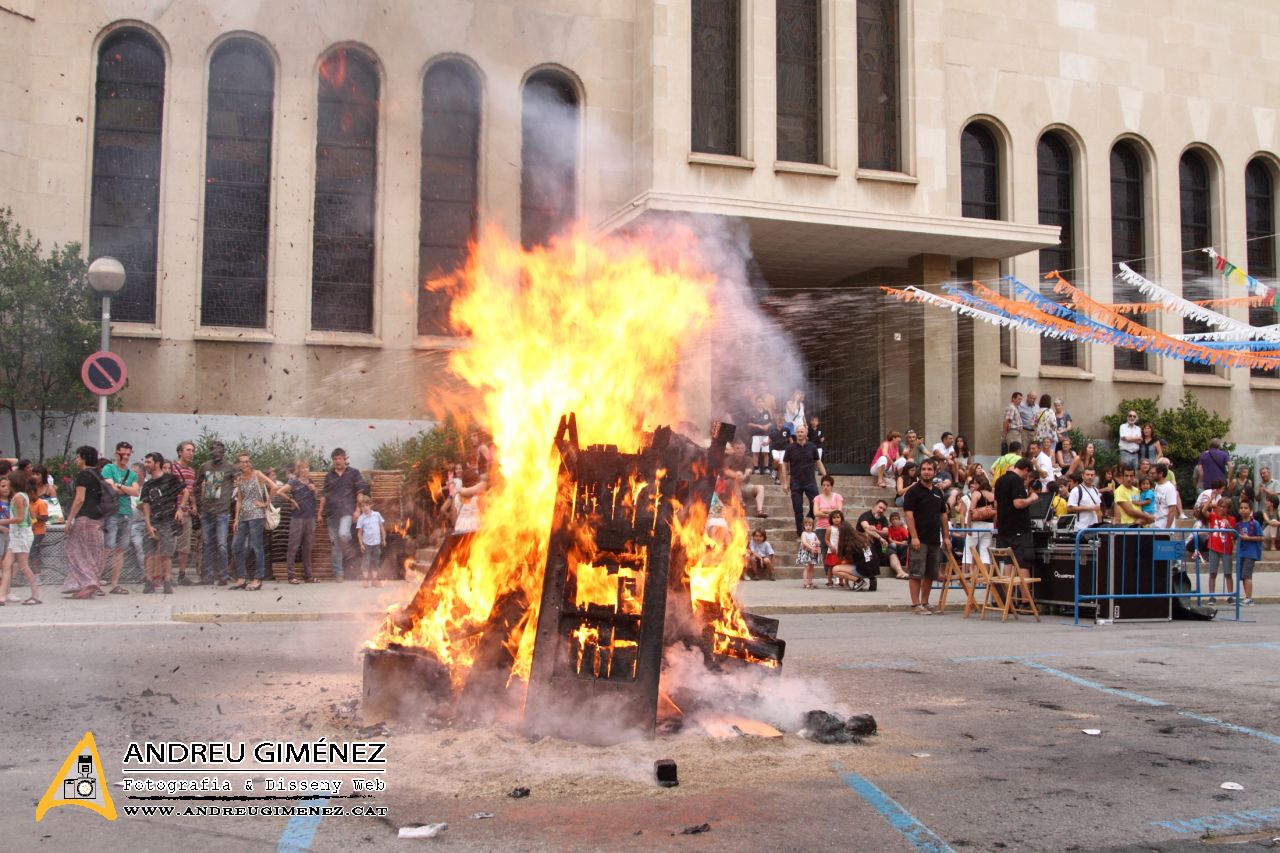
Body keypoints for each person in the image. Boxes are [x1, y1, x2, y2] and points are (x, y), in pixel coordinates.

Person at [902, 459, 948, 615]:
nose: (926, 472)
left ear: (935, 472)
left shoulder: (938, 492)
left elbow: (943, 515)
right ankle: (916, 605)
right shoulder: (913, 491)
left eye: (929, 469)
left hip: (934, 539)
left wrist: (946, 537)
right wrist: (914, 537)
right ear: (920, 471)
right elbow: (908, 515)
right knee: (916, 573)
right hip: (919, 539)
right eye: (924, 469)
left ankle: (925, 602)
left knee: (930, 573)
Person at [62, 446, 107, 599]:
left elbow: (80, 499)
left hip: (85, 519)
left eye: (77, 457)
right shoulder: (98, 475)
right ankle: (82, 583)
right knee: (93, 552)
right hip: (98, 520)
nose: (76, 460)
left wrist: (69, 519)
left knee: (73, 549)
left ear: (83, 458)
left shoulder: (83, 475)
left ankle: (88, 582)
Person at [319, 447, 369, 582]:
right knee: (335, 545)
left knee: (342, 535)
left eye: (339, 458)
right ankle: (338, 573)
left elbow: (360, 492)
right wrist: (320, 513)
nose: (337, 461)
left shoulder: (354, 473)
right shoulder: (329, 476)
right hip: (331, 513)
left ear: (345, 459)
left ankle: (347, 546)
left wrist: (358, 510)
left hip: (347, 511)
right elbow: (324, 495)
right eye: (335, 459)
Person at [230, 452, 277, 591]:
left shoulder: (257, 474)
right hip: (243, 517)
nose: (245, 464)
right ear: (238, 464)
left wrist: (266, 503)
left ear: (250, 463)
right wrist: (236, 519)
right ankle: (241, 578)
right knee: (236, 546)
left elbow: (274, 486)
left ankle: (258, 578)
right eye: (242, 462)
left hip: (256, 516)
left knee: (257, 547)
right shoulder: (240, 478)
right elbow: (239, 499)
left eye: (247, 461)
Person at [100, 441, 140, 594]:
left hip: (126, 513)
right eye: (123, 454)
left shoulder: (132, 473)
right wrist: (125, 489)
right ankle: (95, 581)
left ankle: (114, 583)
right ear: (116, 453)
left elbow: (135, 492)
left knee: (120, 549)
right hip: (112, 512)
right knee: (107, 548)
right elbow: (110, 488)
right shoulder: (108, 468)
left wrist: (120, 486)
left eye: (128, 454)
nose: (126, 457)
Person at [140, 452, 183, 595]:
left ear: (157, 463)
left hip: (167, 521)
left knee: (166, 554)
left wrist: (180, 508)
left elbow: (185, 492)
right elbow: (146, 504)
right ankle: (149, 582)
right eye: (145, 462)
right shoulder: (147, 484)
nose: (146, 465)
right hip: (153, 522)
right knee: (149, 553)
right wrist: (148, 524)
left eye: (149, 462)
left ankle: (167, 582)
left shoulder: (170, 479)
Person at [197, 440, 237, 585]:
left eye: (219, 449)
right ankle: (207, 577)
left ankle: (223, 576)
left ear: (223, 452)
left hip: (222, 512)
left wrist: (231, 500)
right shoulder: (205, 466)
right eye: (213, 449)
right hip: (207, 511)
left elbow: (239, 484)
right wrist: (199, 504)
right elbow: (196, 485)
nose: (216, 452)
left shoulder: (230, 467)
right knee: (207, 544)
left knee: (221, 545)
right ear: (210, 451)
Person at [0, 470, 40, 605]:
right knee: (6, 564)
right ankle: (2, 596)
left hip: (21, 535)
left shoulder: (18, 497)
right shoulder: (21, 495)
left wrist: (2, 521)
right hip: (16, 535)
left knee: (23, 565)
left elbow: (20, 518)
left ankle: (35, 595)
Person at [994, 458, 1040, 571]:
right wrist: (1032, 498)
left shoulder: (999, 480)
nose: (1027, 478)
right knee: (1023, 564)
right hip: (1018, 529)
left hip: (1003, 528)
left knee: (1008, 563)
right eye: (1028, 474)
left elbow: (996, 504)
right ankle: (1024, 584)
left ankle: (1007, 584)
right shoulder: (1017, 480)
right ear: (1025, 469)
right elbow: (1018, 503)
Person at [277, 459, 318, 583]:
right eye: (302, 468)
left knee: (308, 547)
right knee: (293, 546)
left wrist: (314, 490)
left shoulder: (311, 482)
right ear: (298, 470)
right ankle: (291, 576)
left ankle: (308, 576)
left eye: (307, 467)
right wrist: (291, 500)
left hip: (310, 517)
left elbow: (315, 497)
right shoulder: (294, 482)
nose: (305, 470)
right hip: (298, 518)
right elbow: (279, 491)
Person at [782, 425, 826, 536]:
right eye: (798, 432)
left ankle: (807, 519)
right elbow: (784, 465)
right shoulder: (790, 448)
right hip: (796, 482)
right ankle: (800, 533)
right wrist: (785, 483)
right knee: (797, 508)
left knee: (816, 504)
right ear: (796, 434)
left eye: (802, 432)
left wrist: (826, 476)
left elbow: (818, 462)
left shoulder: (812, 447)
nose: (800, 434)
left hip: (810, 482)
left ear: (806, 433)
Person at [171, 440, 198, 585]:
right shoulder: (173, 469)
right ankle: (166, 575)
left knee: (185, 545)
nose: (191, 453)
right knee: (170, 544)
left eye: (192, 450)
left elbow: (191, 490)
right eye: (188, 450)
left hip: (186, 512)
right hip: (173, 511)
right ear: (180, 452)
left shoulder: (192, 471)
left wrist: (193, 505)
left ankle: (182, 575)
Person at [831, 519, 879, 592]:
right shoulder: (862, 536)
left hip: (864, 570)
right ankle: (872, 578)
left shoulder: (849, 544)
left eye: (839, 531)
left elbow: (846, 561)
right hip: (874, 568)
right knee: (864, 560)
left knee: (835, 570)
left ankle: (859, 581)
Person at [1205, 496, 1237, 603]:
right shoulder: (1213, 516)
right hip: (1214, 547)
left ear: (1228, 509)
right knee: (1212, 572)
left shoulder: (1231, 519)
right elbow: (1203, 511)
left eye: (1225, 507)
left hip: (1226, 548)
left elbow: (1234, 535)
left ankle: (1230, 595)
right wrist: (1210, 500)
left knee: (1228, 573)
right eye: (1220, 506)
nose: (1222, 509)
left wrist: (1228, 526)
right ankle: (1212, 596)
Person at [812, 475, 843, 580]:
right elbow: (816, 513)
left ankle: (838, 574)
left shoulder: (837, 496)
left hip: (835, 528)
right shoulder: (817, 498)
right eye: (823, 485)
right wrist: (831, 513)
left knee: (837, 550)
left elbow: (839, 511)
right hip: (821, 528)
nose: (825, 487)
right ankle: (829, 576)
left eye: (828, 485)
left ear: (831, 486)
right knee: (825, 552)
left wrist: (824, 511)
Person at [963, 470, 996, 567]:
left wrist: (969, 526)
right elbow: (996, 512)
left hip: (977, 525)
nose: (974, 485)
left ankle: (965, 574)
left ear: (980, 484)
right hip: (989, 525)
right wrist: (994, 526)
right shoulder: (993, 495)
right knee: (984, 551)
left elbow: (971, 510)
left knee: (968, 550)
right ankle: (985, 575)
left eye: (975, 483)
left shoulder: (976, 493)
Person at [354, 493, 386, 588]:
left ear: (370, 505)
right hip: (367, 544)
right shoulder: (361, 518)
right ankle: (365, 580)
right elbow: (359, 533)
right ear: (361, 508)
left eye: (366, 505)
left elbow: (381, 528)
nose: (365, 508)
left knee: (375, 561)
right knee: (366, 562)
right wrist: (361, 544)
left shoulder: (377, 515)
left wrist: (383, 539)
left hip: (376, 543)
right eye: (362, 506)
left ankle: (375, 580)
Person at [1235, 503, 1262, 606]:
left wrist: (1248, 538)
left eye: (1246, 508)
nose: (1243, 510)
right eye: (1241, 508)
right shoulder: (1238, 525)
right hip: (1241, 552)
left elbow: (1261, 537)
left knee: (1247, 575)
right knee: (1243, 576)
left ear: (1250, 510)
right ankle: (1246, 597)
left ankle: (1249, 598)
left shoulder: (1254, 523)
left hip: (1251, 553)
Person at [746, 395, 772, 475]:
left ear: (763, 402)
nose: (759, 403)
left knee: (765, 452)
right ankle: (756, 468)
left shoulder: (766, 412)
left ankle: (766, 468)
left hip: (765, 435)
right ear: (756, 403)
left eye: (761, 401)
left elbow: (770, 422)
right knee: (755, 452)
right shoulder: (752, 412)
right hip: (756, 435)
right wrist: (758, 426)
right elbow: (749, 423)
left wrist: (767, 425)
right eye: (758, 402)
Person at [1150, 463, 1180, 529]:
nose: (1151, 475)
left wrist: (1167, 529)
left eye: (1153, 473)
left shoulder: (1169, 487)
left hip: (1164, 526)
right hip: (1155, 524)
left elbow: (1172, 509)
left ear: (1160, 474)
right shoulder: (1157, 486)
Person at [766, 413, 793, 486]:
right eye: (779, 421)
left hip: (784, 449)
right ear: (776, 421)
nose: (780, 422)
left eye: (782, 421)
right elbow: (769, 439)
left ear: (784, 422)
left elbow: (790, 440)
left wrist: (793, 446)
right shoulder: (773, 430)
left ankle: (777, 479)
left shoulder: (786, 430)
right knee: (776, 460)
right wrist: (766, 443)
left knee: (781, 465)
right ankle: (774, 470)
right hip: (775, 449)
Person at [823, 510, 845, 588]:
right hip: (832, 551)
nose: (836, 519)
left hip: (841, 551)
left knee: (841, 566)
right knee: (831, 567)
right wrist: (830, 546)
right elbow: (826, 539)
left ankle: (841, 581)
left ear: (841, 518)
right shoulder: (829, 528)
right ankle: (829, 581)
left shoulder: (843, 528)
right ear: (831, 519)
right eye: (834, 518)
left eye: (838, 517)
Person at [797, 518, 821, 589]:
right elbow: (804, 542)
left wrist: (816, 542)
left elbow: (818, 541)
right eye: (806, 525)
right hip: (806, 552)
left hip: (812, 553)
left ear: (813, 526)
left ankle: (810, 582)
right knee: (807, 567)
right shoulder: (804, 533)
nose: (808, 527)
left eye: (810, 525)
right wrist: (811, 547)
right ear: (804, 526)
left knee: (811, 567)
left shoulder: (814, 534)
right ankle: (805, 583)